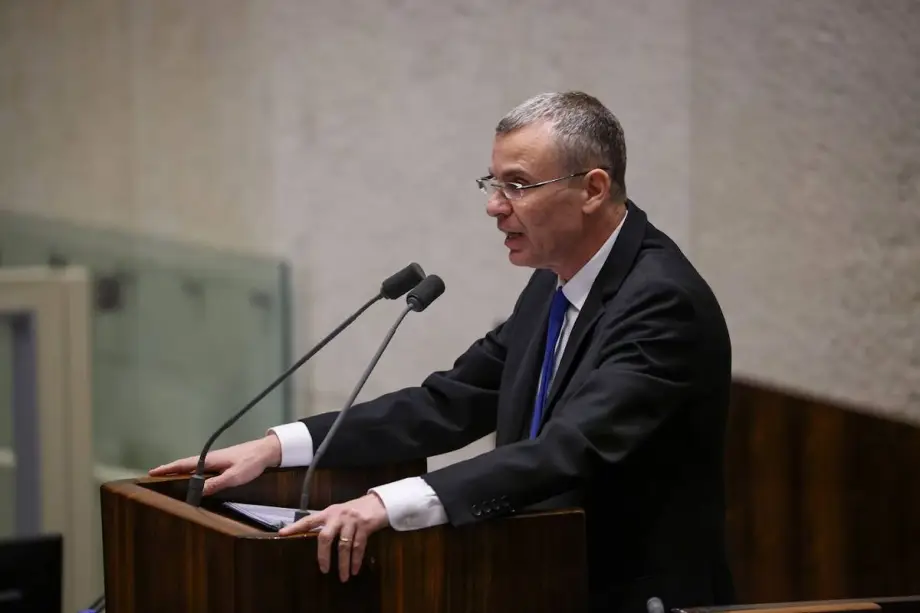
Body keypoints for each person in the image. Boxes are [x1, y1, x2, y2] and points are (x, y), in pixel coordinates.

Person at [151, 91, 735, 612]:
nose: (495, 206)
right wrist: (281, 446)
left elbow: (568, 449)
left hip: (630, 596)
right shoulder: (555, 282)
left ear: (593, 189)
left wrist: (388, 504)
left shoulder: (661, 302)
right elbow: (450, 402)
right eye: (492, 183)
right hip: (545, 578)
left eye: (518, 185)